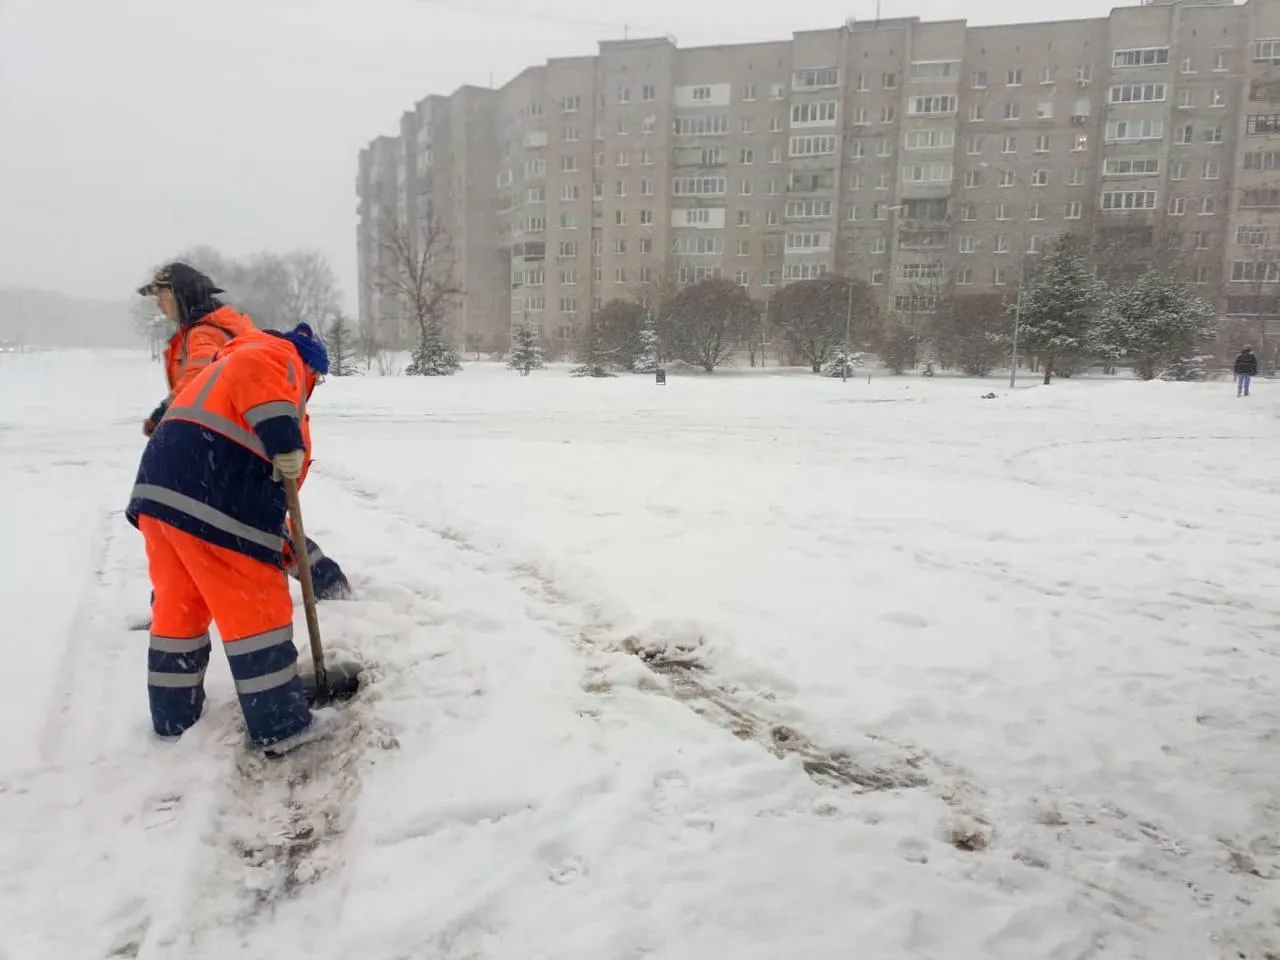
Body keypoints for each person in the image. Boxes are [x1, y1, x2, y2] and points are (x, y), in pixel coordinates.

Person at [126, 322, 336, 756]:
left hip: (160, 494)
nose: (313, 386)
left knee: (178, 610)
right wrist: (284, 438)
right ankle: (281, 725)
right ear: (312, 366)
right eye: (318, 378)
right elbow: (252, 370)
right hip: (214, 494)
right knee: (254, 609)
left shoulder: (214, 374)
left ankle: (173, 717)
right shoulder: (277, 356)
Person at [137, 263, 352, 605]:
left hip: (218, 440)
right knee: (246, 521)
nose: (159, 305)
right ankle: (326, 579)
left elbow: (200, 377)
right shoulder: (224, 326)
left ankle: (176, 604)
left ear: (180, 293)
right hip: (230, 437)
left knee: (221, 523)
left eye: (162, 296)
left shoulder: (205, 332)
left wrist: (168, 413)